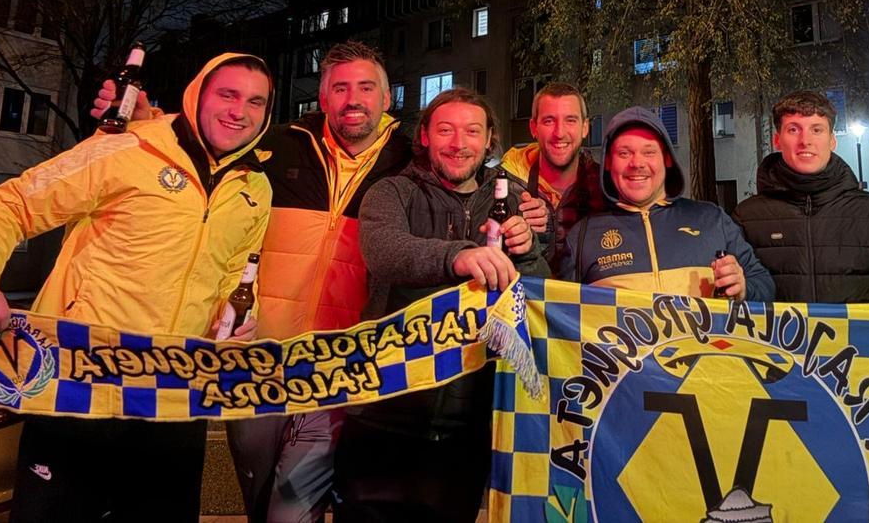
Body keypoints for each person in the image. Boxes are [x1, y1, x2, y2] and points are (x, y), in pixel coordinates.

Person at [91, 40, 434, 523]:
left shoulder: (410, 163)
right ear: (322, 96)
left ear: (387, 98)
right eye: (340, 88)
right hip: (258, 358)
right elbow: (202, 152)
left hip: (337, 364)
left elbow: (471, 179)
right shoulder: (276, 144)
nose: (352, 99)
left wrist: (529, 214)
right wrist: (151, 122)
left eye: (365, 87)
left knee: (290, 510)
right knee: (257, 493)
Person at [0, 52, 274, 523]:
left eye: (256, 101)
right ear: (198, 94)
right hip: (78, 385)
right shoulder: (125, 148)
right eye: (228, 94)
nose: (240, 111)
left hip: (174, 396)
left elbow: (239, 272)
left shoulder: (255, 186)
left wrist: (238, 319)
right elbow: (9, 205)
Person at [334, 87, 549, 522]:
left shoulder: (513, 200)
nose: (458, 143)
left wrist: (527, 252)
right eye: (446, 130)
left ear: (490, 140)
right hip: (384, 411)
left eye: (472, 131)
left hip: (467, 425)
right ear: (426, 136)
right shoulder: (391, 191)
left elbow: (540, 298)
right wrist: (457, 256)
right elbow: (384, 251)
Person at [732, 90, 869, 303]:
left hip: (857, 337)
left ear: (832, 141)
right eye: (793, 129)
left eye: (816, 130)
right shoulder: (746, 218)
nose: (805, 141)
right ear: (777, 140)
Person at [563, 106, 774, 301]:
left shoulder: (712, 219)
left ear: (667, 159)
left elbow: (765, 286)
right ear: (608, 162)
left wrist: (745, 288)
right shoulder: (582, 237)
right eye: (624, 153)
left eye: (649, 152)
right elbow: (560, 312)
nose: (637, 163)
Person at [500, 81, 607, 275]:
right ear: (533, 128)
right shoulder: (504, 188)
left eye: (571, 120)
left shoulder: (606, 188)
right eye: (549, 121)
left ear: (585, 127)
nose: (559, 133)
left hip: (590, 304)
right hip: (524, 304)